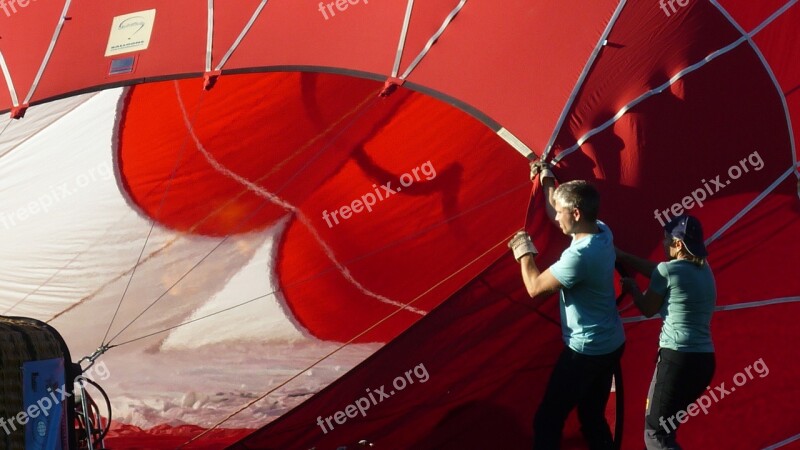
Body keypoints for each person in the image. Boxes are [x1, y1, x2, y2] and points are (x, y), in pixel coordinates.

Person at [508, 164, 625, 450]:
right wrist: (547, 178)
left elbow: (535, 287)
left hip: (586, 353)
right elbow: (554, 212)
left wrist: (524, 252)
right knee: (592, 417)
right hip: (611, 343)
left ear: (576, 214)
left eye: (562, 212)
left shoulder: (580, 257)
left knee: (547, 420)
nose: (556, 217)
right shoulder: (600, 229)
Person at [615, 214, 716, 450]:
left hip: (677, 361)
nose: (663, 244)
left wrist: (633, 289)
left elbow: (648, 308)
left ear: (678, 244)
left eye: (666, 239)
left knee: (656, 435)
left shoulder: (667, 271)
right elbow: (661, 272)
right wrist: (624, 256)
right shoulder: (704, 269)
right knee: (665, 432)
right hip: (704, 363)